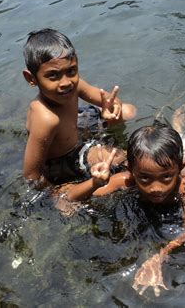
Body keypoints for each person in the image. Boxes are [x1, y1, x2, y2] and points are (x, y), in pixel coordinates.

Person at [22, 28, 136, 201]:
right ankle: (139, 166)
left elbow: (106, 99)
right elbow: (31, 175)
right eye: (53, 75)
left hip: (79, 126)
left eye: (71, 71)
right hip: (64, 158)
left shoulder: (73, 85)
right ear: (31, 79)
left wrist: (110, 109)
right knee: (116, 158)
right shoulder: (45, 118)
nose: (66, 82)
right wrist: (55, 195)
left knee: (128, 110)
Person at [124, 121, 185, 297]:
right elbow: (73, 196)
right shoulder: (125, 181)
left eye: (166, 177)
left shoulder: (183, 187)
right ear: (130, 170)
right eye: (145, 178)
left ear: (181, 167)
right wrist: (95, 182)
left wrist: (160, 256)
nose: (156, 188)